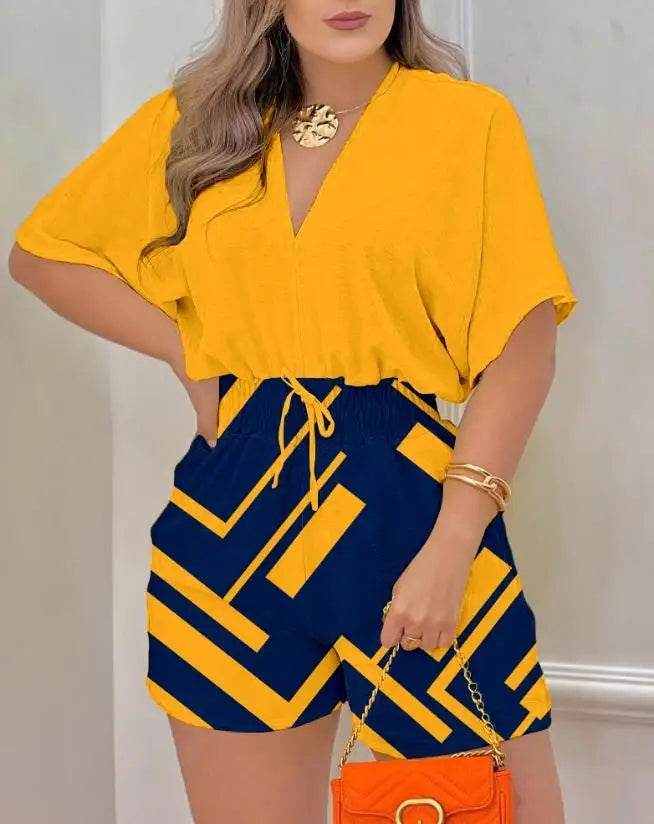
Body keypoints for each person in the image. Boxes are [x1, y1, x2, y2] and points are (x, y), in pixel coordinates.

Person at [8, 2, 578, 822]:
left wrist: (454, 544)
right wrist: (188, 352)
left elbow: (522, 354)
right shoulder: (197, 123)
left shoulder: (466, 123)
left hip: (408, 504)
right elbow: (46, 254)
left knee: (495, 806)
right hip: (231, 515)